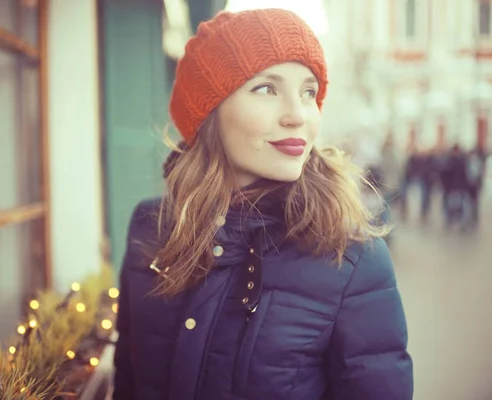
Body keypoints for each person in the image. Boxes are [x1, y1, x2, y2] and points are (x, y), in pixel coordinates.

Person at [113, 8, 413, 400]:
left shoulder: (350, 258)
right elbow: (129, 383)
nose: (298, 115)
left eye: (308, 91)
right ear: (210, 113)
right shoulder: (152, 228)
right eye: (267, 89)